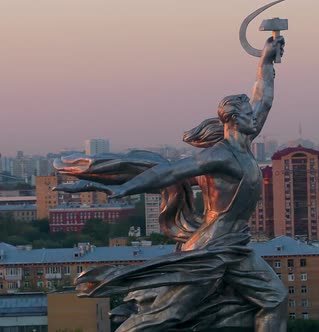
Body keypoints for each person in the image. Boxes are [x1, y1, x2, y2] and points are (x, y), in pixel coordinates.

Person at [54, 36, 286, 332]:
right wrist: (124, 188)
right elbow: (169, 173)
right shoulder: (220, 155)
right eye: (246, 111)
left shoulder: (245, 143)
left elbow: (264, 98)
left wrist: (266, 61)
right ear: (234, 118)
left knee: (274, 299)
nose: (255, 115)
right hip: (210, 249)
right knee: (166, 316)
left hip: (236, 248)